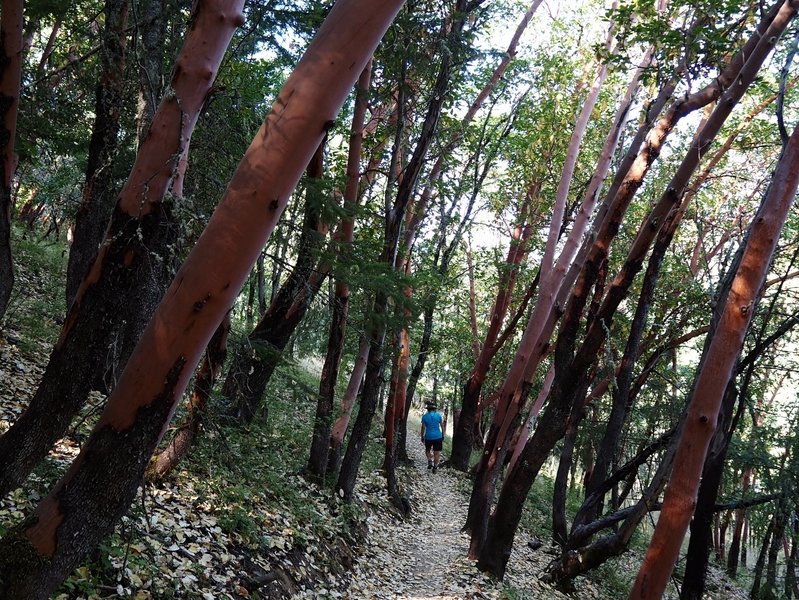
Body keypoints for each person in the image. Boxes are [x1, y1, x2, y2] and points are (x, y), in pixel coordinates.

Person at [421, 401, 444, 473]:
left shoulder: (424, 417)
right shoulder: (438, 415)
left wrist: (422, 436)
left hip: (428, 436)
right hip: (438, 436)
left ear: (428, 409)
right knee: (436, 453)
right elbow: (442, 426)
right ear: (434, 409)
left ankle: (430, 460)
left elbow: (423, 428)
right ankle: (435, 467)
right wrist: (443, 435)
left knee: (427, 450)